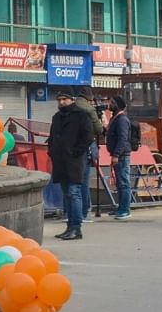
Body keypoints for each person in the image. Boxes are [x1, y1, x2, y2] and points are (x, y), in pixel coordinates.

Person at [49, 89, 94, 241]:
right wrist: (52, 152)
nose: (61, 102)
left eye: (64, 99)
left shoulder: (81, 116)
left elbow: (88, 136)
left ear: (72, 100)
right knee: (67, 195)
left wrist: (76, 152)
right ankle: (69, 227)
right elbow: (52, 137)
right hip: (60, 161)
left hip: (74, 161)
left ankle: (76, 228)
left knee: (74, 193)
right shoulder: (56, 117)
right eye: (59, 100)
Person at [74, 87, 104, 220]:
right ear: (89, 98)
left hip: (72, 147)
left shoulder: (71, 107)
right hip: (86, 146)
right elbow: (99, 129)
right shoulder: (89, 109)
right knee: (84, 182)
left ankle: (71, 213)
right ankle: (85, 211)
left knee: (73, 183)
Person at [105, 95, 133, 220]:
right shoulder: (115, 118)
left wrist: (116, 154)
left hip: (121, 156)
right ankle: (120, 207)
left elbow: (123, 139)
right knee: (120, 183)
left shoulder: (121, 120)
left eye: (111, 102)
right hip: (118, 155)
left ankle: (125, 210)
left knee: (124, 183)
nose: (109, 104)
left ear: (117, 105)